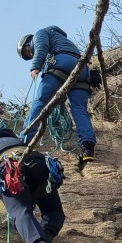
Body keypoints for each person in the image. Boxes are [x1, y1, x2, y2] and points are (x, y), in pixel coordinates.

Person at [18, 26, 96, 162]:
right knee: (79, 108)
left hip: (61, 63)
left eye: (28, 52)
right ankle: (88, 147)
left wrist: (35, 66)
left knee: (41, 101)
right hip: (82, 69)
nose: (31, 55)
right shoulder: (62, 39)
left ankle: (24, 139)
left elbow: (41, 46)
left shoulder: (40, 33)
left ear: (27, 43)